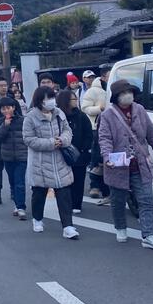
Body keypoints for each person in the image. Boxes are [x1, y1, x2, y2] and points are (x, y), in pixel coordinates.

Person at [98, 80, 153, 249]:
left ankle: (148, 235)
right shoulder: (107, 115)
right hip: (117, 165)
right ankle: (121, 227)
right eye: (123, 93)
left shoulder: (140, 110)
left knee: (147, 200)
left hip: (140, 164)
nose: (127, 95)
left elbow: (151, 133)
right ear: (116, 97)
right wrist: (107, 156)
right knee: (118, 200)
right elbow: (105, 138)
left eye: (129, 92)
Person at [23, 86, 78, 239]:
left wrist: (63, 140)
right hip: (40, 162)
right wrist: (51, 143)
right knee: (39, 193)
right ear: (40, 100)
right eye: (47, 98)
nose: (51, 101)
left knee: (64, 193)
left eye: (52, 97)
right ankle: (38, 219)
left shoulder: (59, 113)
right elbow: (28, 139)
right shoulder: (30, 117)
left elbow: (68, 131)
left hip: (60, 160)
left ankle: (68, 226)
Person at [57, 88, 93, 217]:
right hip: (62, 153)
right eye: (73, 99)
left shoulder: (81, 116)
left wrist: (83, 149)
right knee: (65, 181)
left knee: (79, 179)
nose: (76, 101)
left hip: (80, 154)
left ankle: (77, 204)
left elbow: (89, 134)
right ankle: (66, 203)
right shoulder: (58, 116)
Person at [0, 98, 27, 220]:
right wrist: (5, 126)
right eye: (3, 108)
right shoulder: (0, 122)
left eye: (8, 108)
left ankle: (21, 207)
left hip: (22, 156)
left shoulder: (23, 121)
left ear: (14, 107)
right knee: (12, 181)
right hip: (7, 157)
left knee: (19, 182)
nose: (6, 110)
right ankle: (16, 204)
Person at [83, 64, 111, 202]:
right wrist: (100, 108)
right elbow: (85, 108)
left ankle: (107, 189)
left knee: (107, 158)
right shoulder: (93, 91)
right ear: (104, 76)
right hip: (96, 127)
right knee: (97, 158)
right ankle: (94, 186)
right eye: (109, 75)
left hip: (112, 127)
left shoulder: (112, 89)